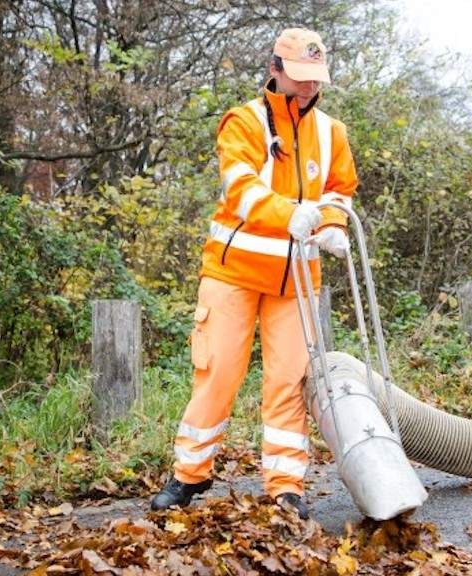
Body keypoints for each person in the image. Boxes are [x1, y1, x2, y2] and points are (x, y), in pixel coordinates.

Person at [149, 28, 358, 520]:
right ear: (275, 70)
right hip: (233, 273)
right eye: (300, 78)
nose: (309, 88)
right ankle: (188, 476)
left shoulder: (332, 132)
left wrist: (331, 225)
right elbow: (239, 188)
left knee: (288, 381)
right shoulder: (242, 123)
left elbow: (338, 191)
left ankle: (285, 487)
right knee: (217, 372)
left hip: (296, 281)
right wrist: (288, 215)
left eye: (315, 79)